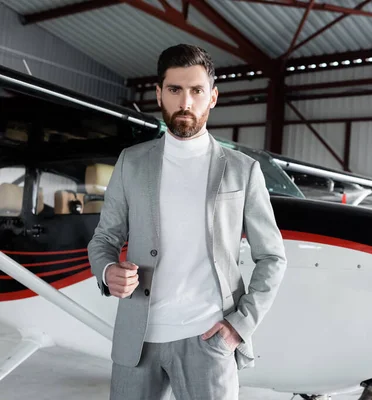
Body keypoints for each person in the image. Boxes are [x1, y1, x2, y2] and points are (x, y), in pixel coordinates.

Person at [88, 44, 287, 400]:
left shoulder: (243, 170)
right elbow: (104, 238)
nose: (185, 102)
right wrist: (106, 271)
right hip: (138, 338)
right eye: (175, 90)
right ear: (159, 94)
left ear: (212, 97)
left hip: (209, 339)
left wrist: (239, 325)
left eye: (196, 90)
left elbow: (272, 257)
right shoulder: (131, 163)